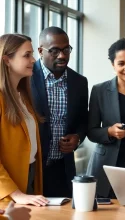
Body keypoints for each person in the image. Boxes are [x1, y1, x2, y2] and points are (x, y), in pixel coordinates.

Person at [31, 27, 88, 197]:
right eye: (54, 50)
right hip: (33, 167)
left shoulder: (79, 82)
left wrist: (77, 137)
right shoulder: (26, 77)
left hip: (63, 169)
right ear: (41, 51)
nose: (62, 55)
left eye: (66, 49)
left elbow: (83, 120)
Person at [87, 38, 125, 198]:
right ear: (113, 65)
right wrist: (109, 131)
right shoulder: (99, 90)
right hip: (106, 166)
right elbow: (91, 132)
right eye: (121, 63)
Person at [0, 34, 48, 206]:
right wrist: (16, 194)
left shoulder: (23, 96)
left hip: (29, 176)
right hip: (8, 191)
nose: (34, 60)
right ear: (7, 60)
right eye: (26, 55)